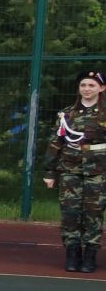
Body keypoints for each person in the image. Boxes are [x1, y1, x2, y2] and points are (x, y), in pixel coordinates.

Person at [44, 70, 106, 273]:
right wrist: (50, 171)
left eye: (91, 85)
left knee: (93, 215)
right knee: (70, 213)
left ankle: (90, 256)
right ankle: (72, 254)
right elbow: (56, 143)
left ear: (101, 88)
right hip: (70, 170)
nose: (87, 89)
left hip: (99, 171)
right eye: (83, 85)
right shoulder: (67, 114)